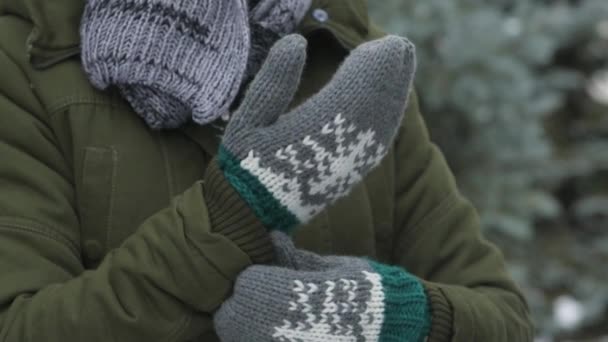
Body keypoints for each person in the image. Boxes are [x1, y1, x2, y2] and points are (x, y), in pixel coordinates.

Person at [0, 0, 534, 341]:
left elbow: (501, 317)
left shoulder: (352, 61)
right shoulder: (28, 59)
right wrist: (236, 211)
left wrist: (394, 317)